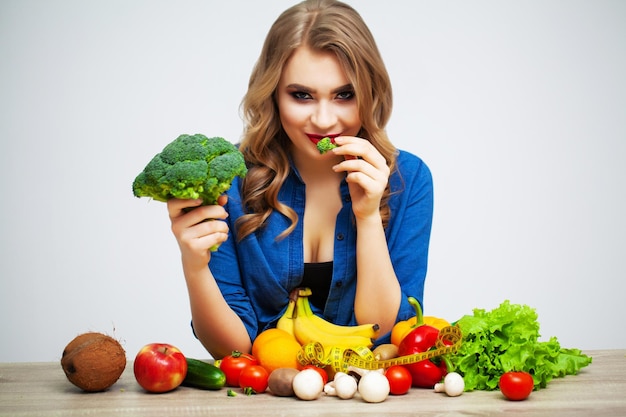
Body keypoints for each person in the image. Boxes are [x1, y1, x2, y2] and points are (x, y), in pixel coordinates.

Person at [167, 0, 433, 359]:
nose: (324, 121)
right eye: (302, 95)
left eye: (344, 95)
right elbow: (231, 350)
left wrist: (368, 216)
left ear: (370, 92)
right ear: (273, 94)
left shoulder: (409, 180)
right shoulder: (228, 181)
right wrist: (193, 264)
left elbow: (383, 334)